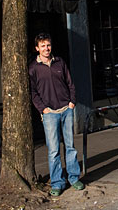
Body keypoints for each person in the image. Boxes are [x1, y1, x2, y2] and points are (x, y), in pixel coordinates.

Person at [29, 33, 84, 197]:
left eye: (48, 45)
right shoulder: (33, 68)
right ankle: (57, 182)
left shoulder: (60, 62)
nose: (46, 48)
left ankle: (74, 178)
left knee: (70, 147)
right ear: (37, 48)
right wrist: (43, 109)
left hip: (66, 109)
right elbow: (32, 92)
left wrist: (72, 101)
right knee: (53, 150)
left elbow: (70, 83)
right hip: (49, 114)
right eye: (43, 45)